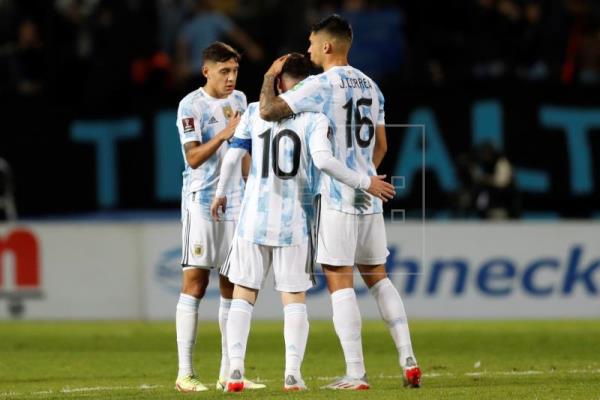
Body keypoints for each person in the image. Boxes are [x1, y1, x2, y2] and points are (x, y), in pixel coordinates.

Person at [210, 53, 395, 392]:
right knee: (294, 299)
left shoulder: (253, 111)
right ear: (307, 84)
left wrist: (221, 193)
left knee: (243, 294)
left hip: (253, 217)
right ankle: (292, 375)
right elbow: (324, 160)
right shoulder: (315, 118)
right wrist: (365, 181)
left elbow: (233, 157)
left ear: (279, 83)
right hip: (295, 220)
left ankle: (234, 372)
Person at [259, 14, 422, 389]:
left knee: (339, 281)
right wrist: (366, 179)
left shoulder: (320, 85)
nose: (309, 48)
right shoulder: (372, 86)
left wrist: (270, 75)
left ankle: (355, 372)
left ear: (328, 46)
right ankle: (408, 358)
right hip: (370, 196)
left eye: (313, 42)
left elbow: (268, 111)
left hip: (338, 196)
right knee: (379, 278)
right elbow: (381, 145)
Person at [174, 41, 264, 393]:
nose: (231, 78)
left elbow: (242, 154)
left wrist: (252, 184)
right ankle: (184, 373)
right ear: (206, 71)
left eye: (235, 71)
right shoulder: (190, 105)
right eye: (224, 71)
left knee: (232, 283)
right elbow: (193, 157)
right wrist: (226, 132)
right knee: (196, 282)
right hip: (201, 200)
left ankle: (229, 374)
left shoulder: (241, 101)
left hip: (236, 202)